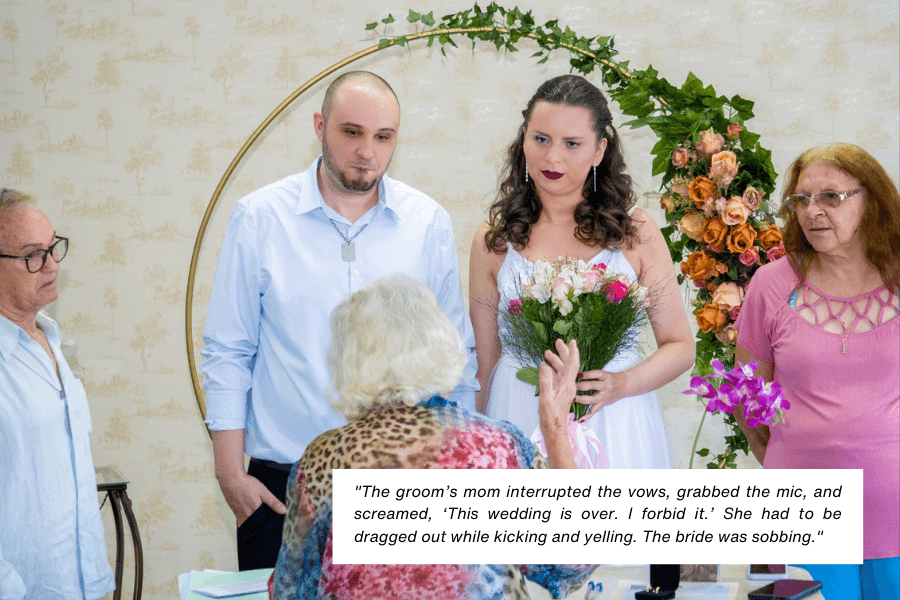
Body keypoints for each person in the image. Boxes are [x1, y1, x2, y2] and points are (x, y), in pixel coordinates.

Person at [201, 71, 479, 570]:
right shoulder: (259, 218)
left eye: (383, 137)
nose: (367, 151)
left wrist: (455, 473)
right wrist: (229, 472)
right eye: (351, 132)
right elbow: (228, 349)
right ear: (319, 126)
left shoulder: (426, 223)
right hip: (282, 485)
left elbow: (456, 355)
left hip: (402, 486)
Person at [270, 275, 592, 599]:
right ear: (442, 347)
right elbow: (573, 563)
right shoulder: (502, 447)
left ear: (348, 362)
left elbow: (290, 591)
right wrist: (554, 428)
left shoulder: (325, 457)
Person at [470, 74, 694, 469]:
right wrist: (477, 447)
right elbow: (484, 364)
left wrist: (621, 384)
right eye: (541, 139)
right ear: (523, 140)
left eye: (572, 144)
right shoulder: (493, 240)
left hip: (614, 419)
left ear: (599, 150)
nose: (552, 158)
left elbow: (680, 347)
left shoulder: (636, 233)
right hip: (518, 414)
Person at [734, 143, 899, 600]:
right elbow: (748, 396)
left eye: (831, 197)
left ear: (872, 201)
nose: (813, 211)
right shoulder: (769, 285)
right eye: (801, 199)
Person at [0, 189, 115, 600]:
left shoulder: (49, 337)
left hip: (79, 582)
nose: (51, 265)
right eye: (32, 254)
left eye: (52, 248)